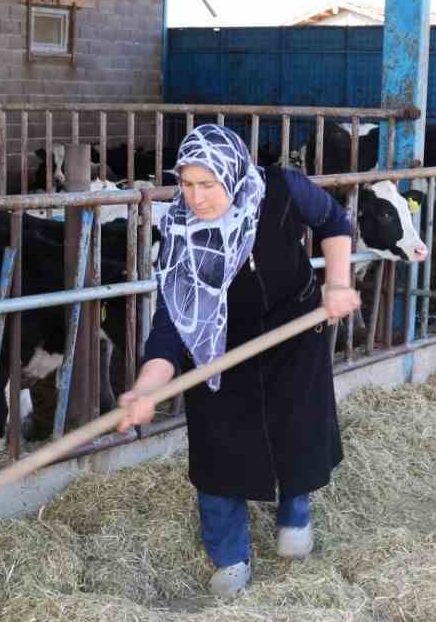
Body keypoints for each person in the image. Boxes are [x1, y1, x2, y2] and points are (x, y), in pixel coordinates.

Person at [116, 124, 360, 597]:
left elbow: (333, 221)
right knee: (218, 449)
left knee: (295, 427)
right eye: (186, 185)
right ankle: (229, 555)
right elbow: (170, 329)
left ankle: (295, 509)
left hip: (293, 332)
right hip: (218, 353)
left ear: (232, 174)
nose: (196, 197)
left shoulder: (282, 189)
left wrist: (336, 282)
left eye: (208, 184)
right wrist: (146, 388)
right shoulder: (180, 238)